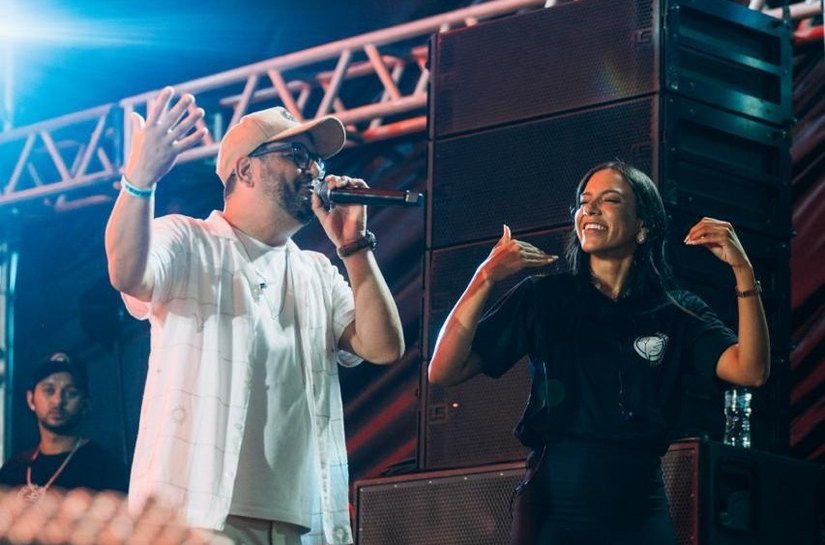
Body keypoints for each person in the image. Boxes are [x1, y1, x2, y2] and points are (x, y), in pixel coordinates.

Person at [104, 87, 404, 545]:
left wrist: (354, 246)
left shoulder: (316, 271)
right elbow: (126, 272)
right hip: (195, 517)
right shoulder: (188, 241)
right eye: (297, 156)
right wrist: (140, 179)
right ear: (246, 169)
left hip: (297, 523)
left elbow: (382, 347)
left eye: (316, 161)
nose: (314, 171)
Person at [428, 161, 770, 545]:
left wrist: (743, 270)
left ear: (643, 227)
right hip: (556, 502)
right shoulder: (543, 297)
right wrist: (485, 277)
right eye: (584, 201)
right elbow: (443, 370)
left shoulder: (675, 310)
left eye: (609, 200)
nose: (589, 209)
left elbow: (750, 370)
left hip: (641, 504)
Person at [0, 352, 129, 500]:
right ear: (31, 399)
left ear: (86, 403)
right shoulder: (13, 471)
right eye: (49, 390)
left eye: (70, 393)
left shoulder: (106, 470)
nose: (58, 401)